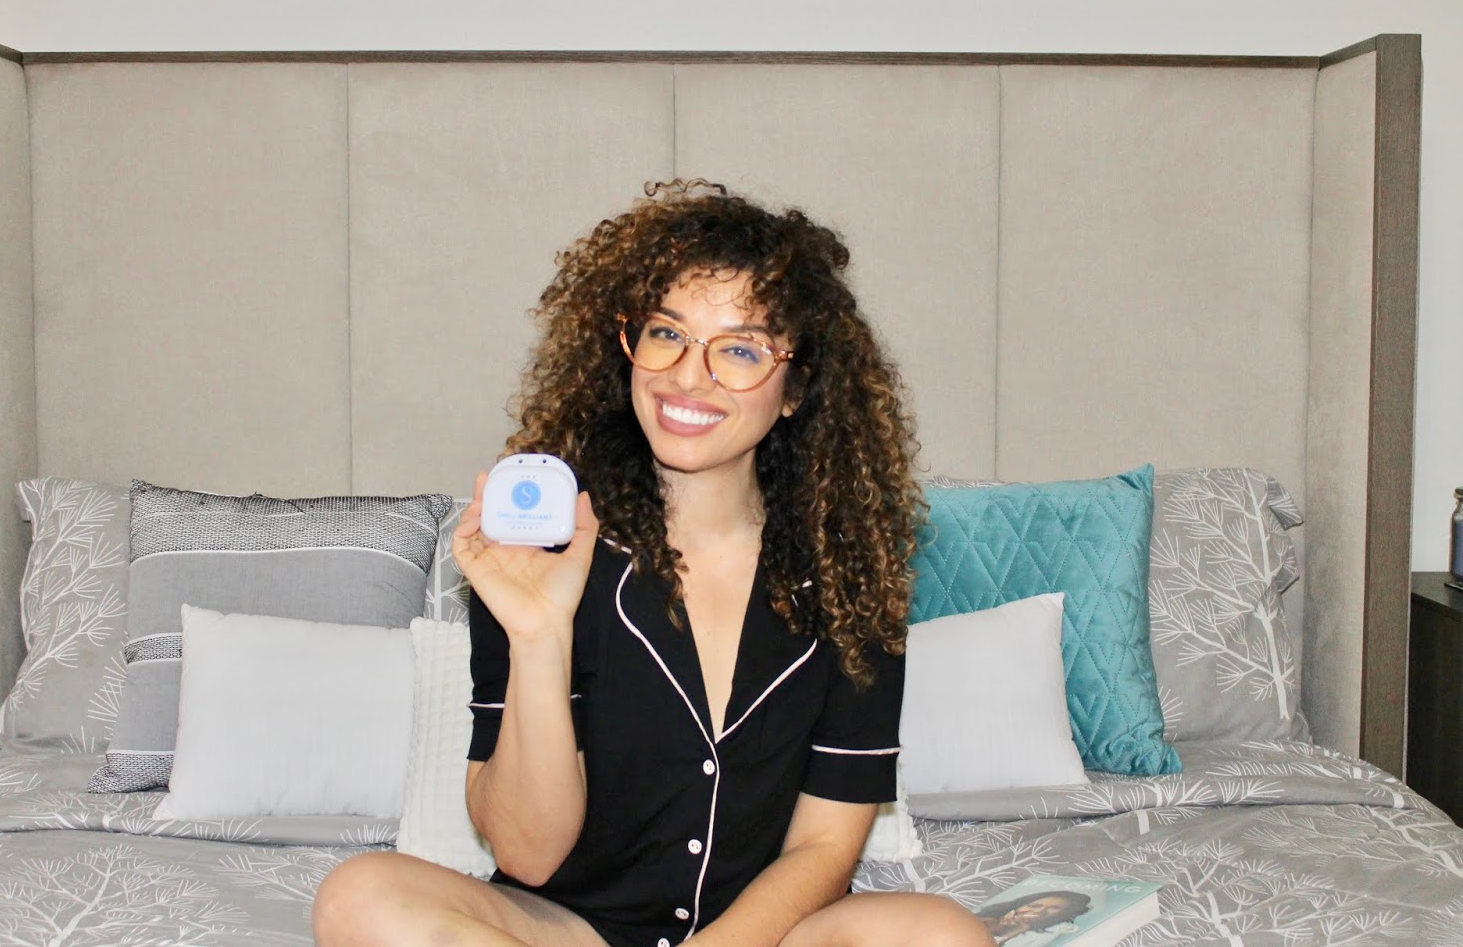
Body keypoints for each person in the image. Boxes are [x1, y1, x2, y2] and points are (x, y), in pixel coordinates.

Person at [314, 180, 993, 947]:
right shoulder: (541, 550)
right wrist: (538, 636)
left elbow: (824, 848)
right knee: (360, 896)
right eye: (667, 333)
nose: (688, 376)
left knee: (941, 934)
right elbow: (529, 855)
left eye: (740, 349)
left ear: (796, 389)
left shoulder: (848, 572)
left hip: (752, 938)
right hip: (565, 930)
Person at [975, 891, 1091, 944]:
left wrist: (1010, 934)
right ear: (1017, 906)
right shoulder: (985, 920)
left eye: (1054, 908)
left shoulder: (1045, 936)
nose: (1039, 911)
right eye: (1034, 906)